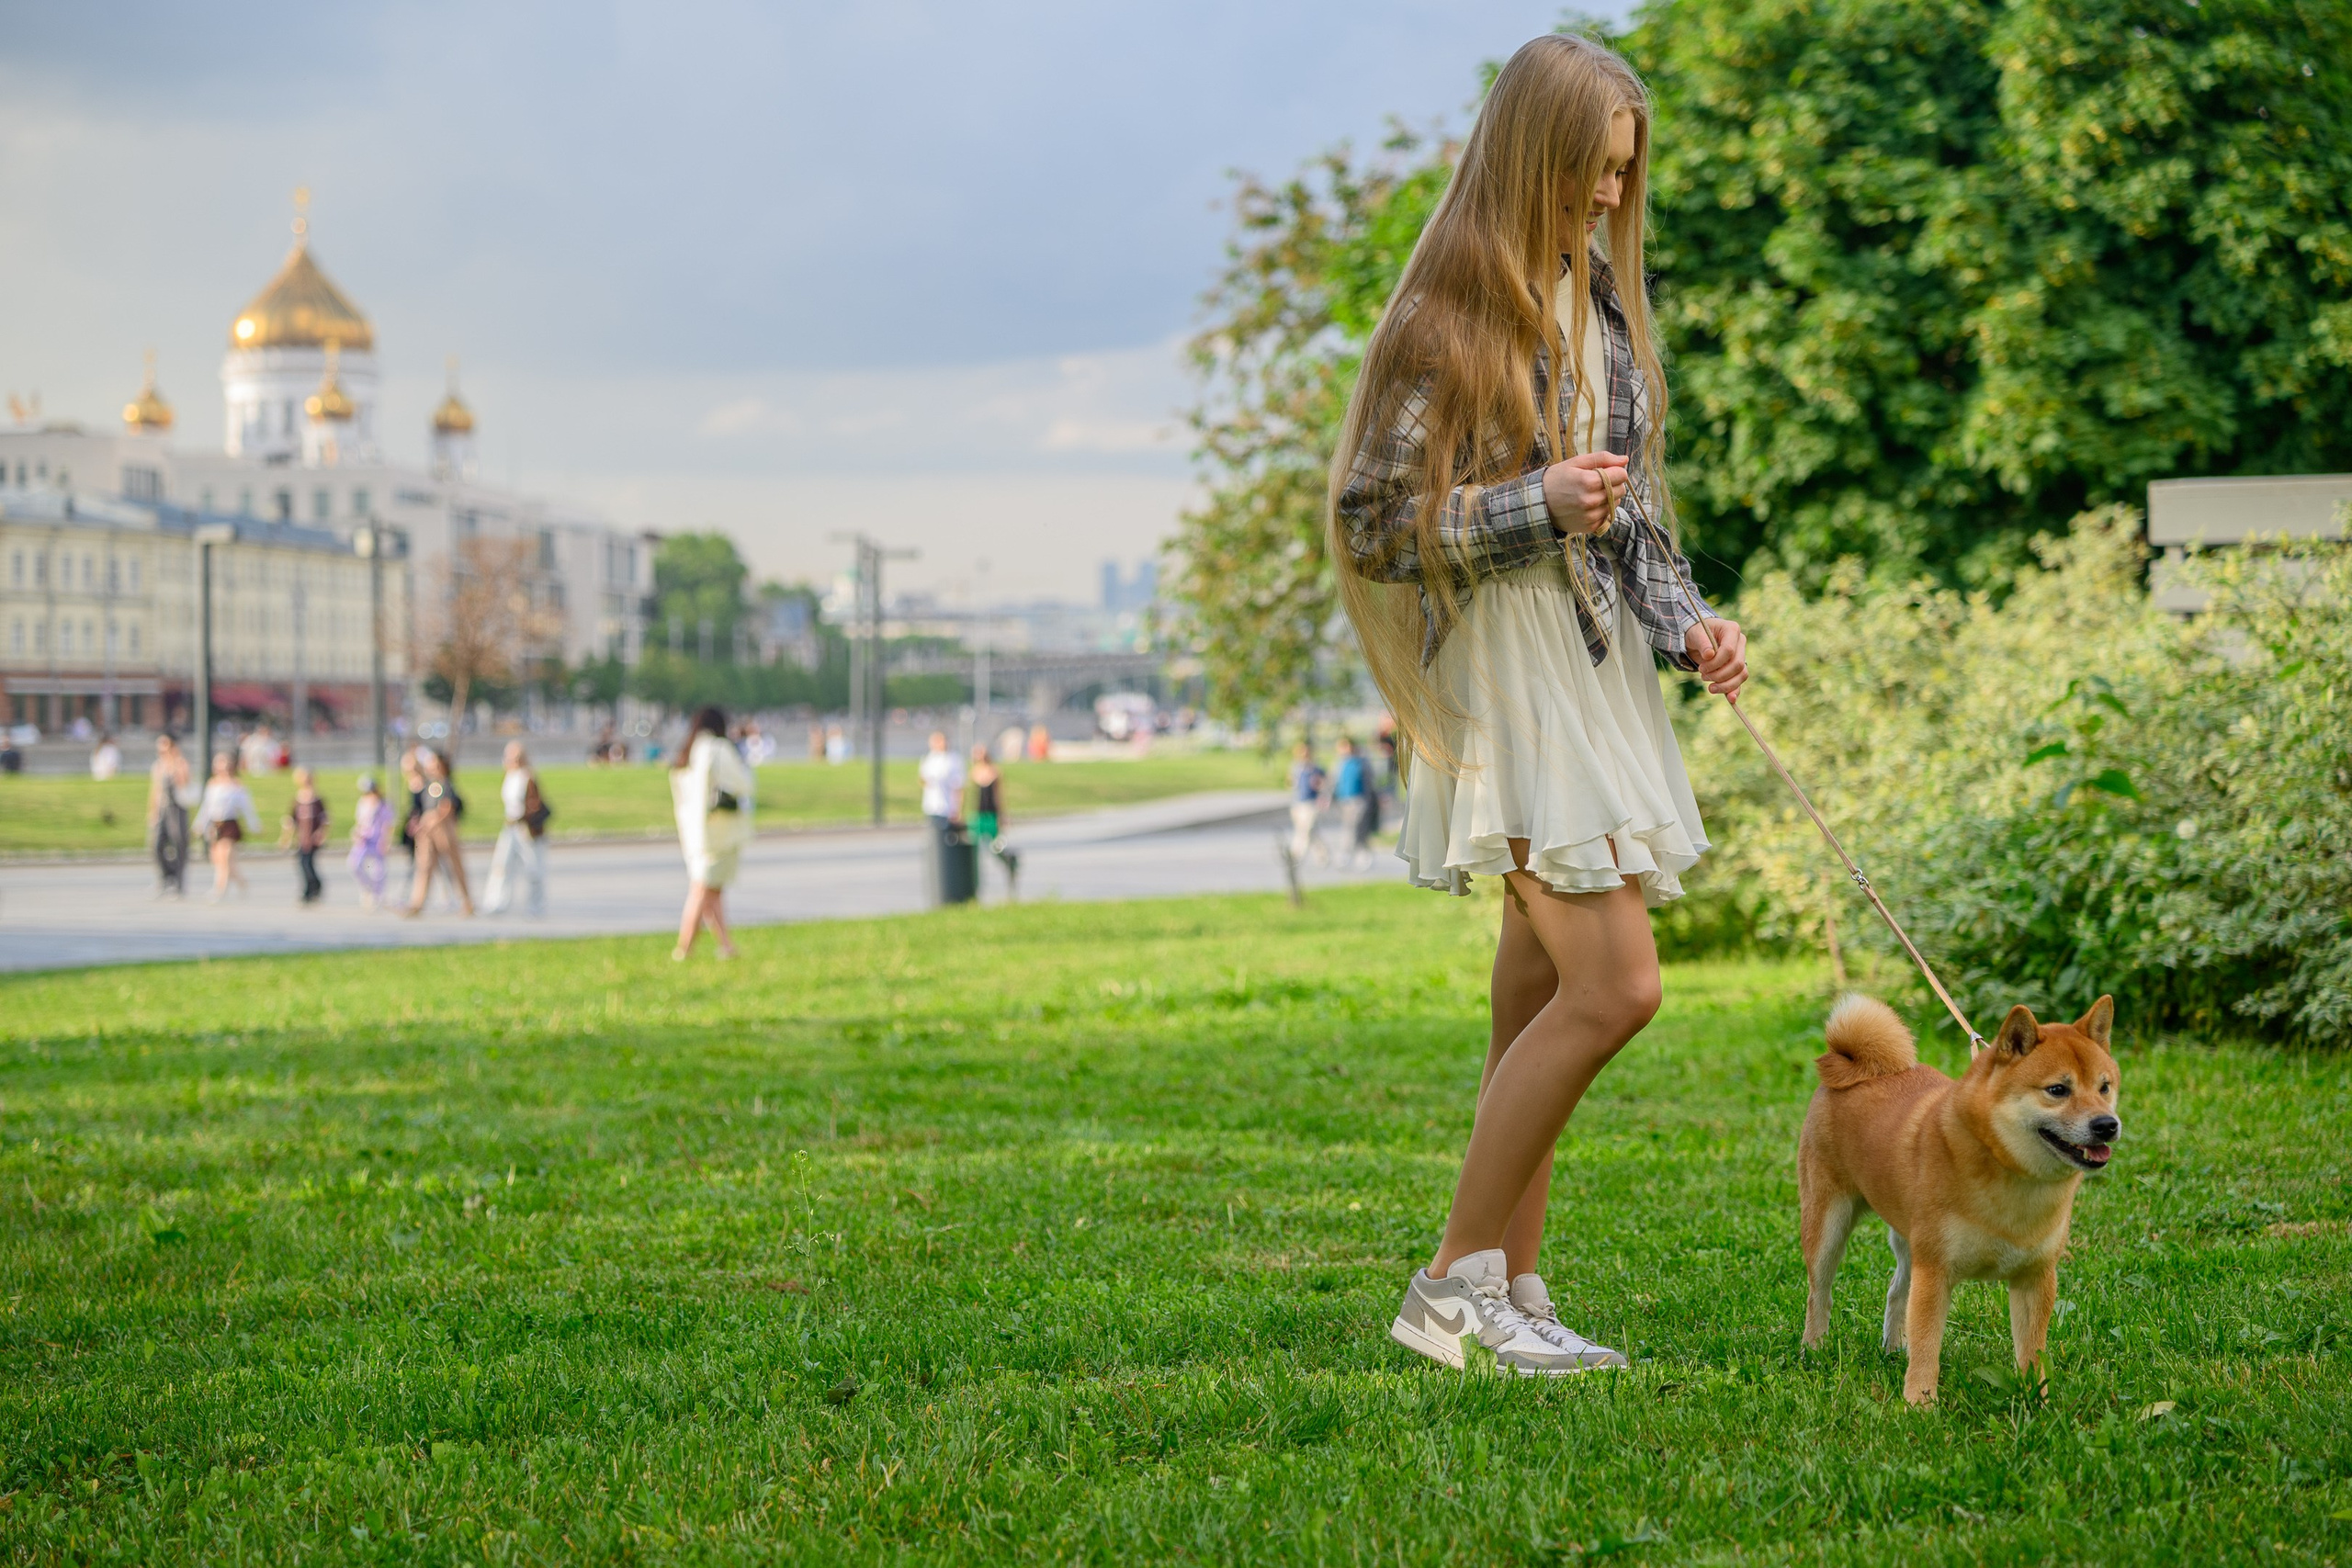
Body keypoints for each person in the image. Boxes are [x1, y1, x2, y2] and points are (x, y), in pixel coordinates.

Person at [1330, 35, 1750, 1375]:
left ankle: (1514, 1287)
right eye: (1593, 173)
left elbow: (1626, 515)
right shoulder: (1444, 318)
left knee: (1533, 1011)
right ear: (1533, 160)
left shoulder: (1599, 302)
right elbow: (1374, 524)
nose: (1613, 198)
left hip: (1591, 672)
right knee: (1617, 987)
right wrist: (1534, 503)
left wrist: (1690, 626)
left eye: (1626, 174)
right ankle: (1451, 1290)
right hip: (1506, 682)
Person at [671, 705, 753, 960]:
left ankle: (725, 946)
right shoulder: (718, 749)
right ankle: (684, 948)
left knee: (712, 892)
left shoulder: (689, 752)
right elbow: (742, 785)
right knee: (703, 890)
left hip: (693, 832)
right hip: (718, 833)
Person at [403, 747, 473, 917]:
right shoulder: (428, 784)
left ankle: (467, 902)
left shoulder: (446, 784)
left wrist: (431, 819)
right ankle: (417, 903)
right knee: (424, 866)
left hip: (443, 828)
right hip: (427, 830)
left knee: (454, 866)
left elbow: (447, 807)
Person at [482, 741, 548, 916]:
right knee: (501, 865)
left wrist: (526, 819)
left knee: (533, 868)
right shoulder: (509, 776)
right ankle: (496, 902)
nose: (514, 761)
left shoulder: (528, 777)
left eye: (517, 758)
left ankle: (536, 907)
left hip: (526, 827)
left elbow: (535, 804)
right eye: (511, 758)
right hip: (510, 826)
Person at [191, 750, 259, 902]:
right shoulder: (212, 784)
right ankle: (242, 882)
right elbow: (207, 807)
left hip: (230, 824)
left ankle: (219, 889)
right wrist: (200, 824)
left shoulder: (236, 785)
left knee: (226, 857)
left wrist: (254, 825)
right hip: (216, 825)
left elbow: (247, 808)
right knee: (219, 860)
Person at [968, 742, 1020, 897]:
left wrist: (1003, 816)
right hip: (979, 816)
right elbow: (971, 796)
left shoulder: (995, 772)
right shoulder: (974, 772)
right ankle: (974, 884)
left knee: (995, 848)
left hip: (992, 815)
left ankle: (1010, 863)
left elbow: (999, 796)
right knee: (974, 850)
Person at [146, 733, 193, 897]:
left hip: (177, 808)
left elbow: (185, 782)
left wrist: (174, 763)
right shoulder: (158, 765)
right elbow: (155, 790)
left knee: (179, 843)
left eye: (165, 745)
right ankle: (166, 877)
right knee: (157, 845)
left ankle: (179, 882)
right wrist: (152, 812)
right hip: (162, 809)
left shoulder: (181, 763)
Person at [281, 766, 330, 903]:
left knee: (307, 863)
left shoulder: (317, 799)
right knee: (302, 864)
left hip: (313, 838)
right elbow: (291, 821)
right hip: (302, 838)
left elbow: (325, 819)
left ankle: (314, 887)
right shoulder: (298, 799)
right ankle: (311, 888)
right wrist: (286, 838)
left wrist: (321, 833)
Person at [1331, 736, 1376, 869]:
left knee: (1355, 828)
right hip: (1344, 800)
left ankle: (1352, 854)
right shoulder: (1340, 764)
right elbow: (1334, 781)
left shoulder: (1361, 762)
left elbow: (1370, 781)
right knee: (1350, 827)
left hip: (1359, 800)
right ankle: (1357, 854)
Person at [348, 773, 391, 909]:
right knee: (354, 864)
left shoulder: (383, 804)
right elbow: (360, 821)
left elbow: (387, 824)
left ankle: (377, 895)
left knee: (379, 871)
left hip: (377, 839)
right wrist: (356, 832)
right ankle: (367, 888)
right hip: (364, 838)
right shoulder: (362, 803)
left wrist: (385, 840)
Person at [1286, 739, 1329, 866]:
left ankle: (1295, 856)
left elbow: (1325, 784)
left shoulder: (1316, 769)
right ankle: (1323, 855)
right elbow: (1290, 784)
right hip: (1298, 803)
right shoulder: (1296, 768)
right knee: (1309, 832)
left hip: (1311, 804)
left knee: (1305, 830)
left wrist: (1321, 790)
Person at [918, 730, 964, 830]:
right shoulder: (929, 758)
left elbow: (958, 787)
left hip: (946, 808)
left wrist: (957, 810)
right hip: (931, 806)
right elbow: (923, 780)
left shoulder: (952, 759)